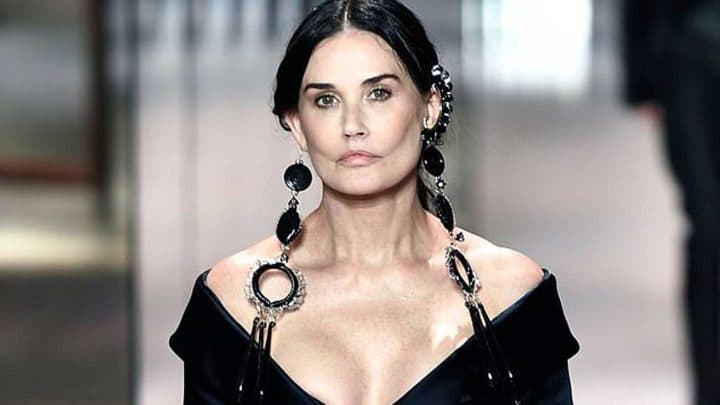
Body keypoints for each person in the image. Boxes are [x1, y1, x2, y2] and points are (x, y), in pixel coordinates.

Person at [169, 1, 580, 403]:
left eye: (378, 93)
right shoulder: (232, 304)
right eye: (326, 100)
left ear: (430, 107)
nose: (353, 126)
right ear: (297, 124)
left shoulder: (510, 295)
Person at [621, 1, 720, 404]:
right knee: (709, 226)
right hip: (686, 58)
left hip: (685, 55)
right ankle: (709, 386)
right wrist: (640, 80)